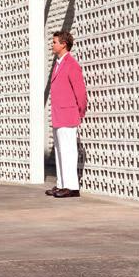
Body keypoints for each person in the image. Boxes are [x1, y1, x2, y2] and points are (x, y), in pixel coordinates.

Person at [46, 29, 87, 198]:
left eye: (54, 42)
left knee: (68, 151)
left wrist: (80, 112)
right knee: (60, 151)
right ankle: (62, 184)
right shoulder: (58, 64)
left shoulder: (71, 64)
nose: (52, 44)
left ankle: (71, 187)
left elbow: (81, 92)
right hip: (58, 116)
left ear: (64, 44)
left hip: (68, 115)